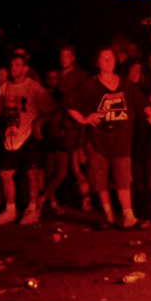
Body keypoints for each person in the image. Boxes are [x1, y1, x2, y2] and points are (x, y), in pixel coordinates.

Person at [68, 48, 151, 228]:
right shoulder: (90, 84)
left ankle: (128, 217)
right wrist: (84, 119)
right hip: (98, 140)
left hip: (121, 140)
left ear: (116, 62)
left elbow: (142, 101)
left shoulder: (125, 84)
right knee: (101, 181)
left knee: (123, 179)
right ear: (97, 62)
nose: (108, 61)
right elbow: (70, 104)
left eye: (111, 58)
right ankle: (108, 217)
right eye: (103, 58)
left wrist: (150, 115)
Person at [0, 51, 57, 226]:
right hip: (11, 135)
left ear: (26, 68)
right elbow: (0, 113)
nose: (14, 68)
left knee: (31, 173)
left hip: (29, 134)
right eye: (12, 65)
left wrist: (38, 122)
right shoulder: (4, 87)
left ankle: (32, 209)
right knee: (5, 174)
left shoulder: (33, 87)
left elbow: (52, 108)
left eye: (18, 65)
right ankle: (11, 210)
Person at [33, 45, 93, 215]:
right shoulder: (57, 76)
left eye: (67, 56)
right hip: (55, 126)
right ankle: (50, 202)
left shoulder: (80, 76)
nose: (64, 59)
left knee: (70, 169)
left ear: (73, 58)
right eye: (62, 56)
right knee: (53, 168)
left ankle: (44, 199)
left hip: (73, 127)